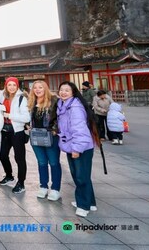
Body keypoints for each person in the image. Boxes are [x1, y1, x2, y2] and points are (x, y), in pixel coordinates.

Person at [57, 81, 99, 217]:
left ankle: (83, 205)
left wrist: (77, 149)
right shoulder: (63, 105)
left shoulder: (75, 107)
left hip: (80, 147)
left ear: (73, 92)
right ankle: (90, 202)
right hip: (72, 145)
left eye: (67, 90)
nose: (63, 92)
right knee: (80, 175)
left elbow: (80, 129)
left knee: (81, 176)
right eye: (61, 90)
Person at [28, 80, 61, 201]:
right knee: (41, 162)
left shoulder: (54, 101)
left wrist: (55, 129)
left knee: (54, 162)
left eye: (40, 87)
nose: (37, 90)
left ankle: (55, 188)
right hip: (36, 136)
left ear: (45, 88)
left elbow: (61, 117)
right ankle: (43, 186)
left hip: (50, 136)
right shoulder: (32, 102)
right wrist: (28, 125)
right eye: (35, 88)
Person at [0, 77, 30, 194]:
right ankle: (9, 175)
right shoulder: (2, 96)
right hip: (4, 130)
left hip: (17, 131)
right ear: (6, 86)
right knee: (2, 155)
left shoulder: (22, 98)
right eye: (9, 85)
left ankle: (21, 182)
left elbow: (26, 117)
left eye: (14, 85)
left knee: (19, 158)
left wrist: (9, 115)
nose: (11, 87)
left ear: (17, 86)